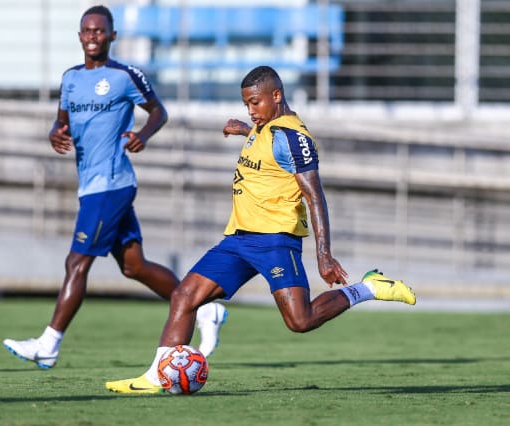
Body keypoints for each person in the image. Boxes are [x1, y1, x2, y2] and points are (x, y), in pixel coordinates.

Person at [105, 65, 416, 394]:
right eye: (246, 105)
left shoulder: (293, 137)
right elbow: (264, 143)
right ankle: (156, 377)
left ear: (276, 96)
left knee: (300, 321)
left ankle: (368, 288)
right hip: (238, 240)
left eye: (255, 103)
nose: (251, 111)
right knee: (184, 296)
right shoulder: (263, 127)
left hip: (275, 243)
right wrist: (244, 129)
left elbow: (315, 196)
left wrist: (324, 256)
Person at [2, 5, 227, 369]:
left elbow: (159, 112)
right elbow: (60, 122)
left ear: (112, 36)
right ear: (79, 36)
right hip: (90, 185)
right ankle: (204, 309)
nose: (93, 36)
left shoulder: (124, 75)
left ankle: (49, 344)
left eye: (100, 31)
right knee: (134, 266)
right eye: (87, 31)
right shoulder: (70, 78)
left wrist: (143, 135)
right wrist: (53, 133)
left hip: (112, 184)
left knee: (77, 261)